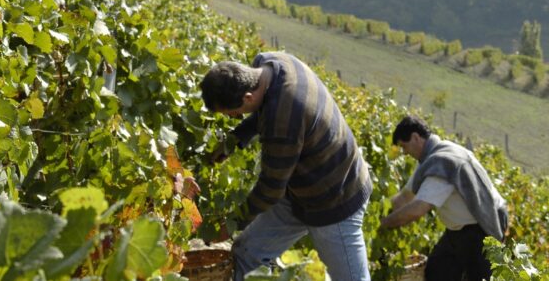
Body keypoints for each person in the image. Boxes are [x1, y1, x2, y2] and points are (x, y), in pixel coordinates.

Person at [200, 52, 372, 281]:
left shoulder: (283, 121)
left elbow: (270, 189)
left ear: (248, 97)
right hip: (298, 195)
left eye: (234, 113)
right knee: (248, 254)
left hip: (334, 199)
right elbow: (267, 107)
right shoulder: (269, 63)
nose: (235, 116)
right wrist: (236, 138)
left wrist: (232, 223)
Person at [379, 115, 508, 281]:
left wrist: (384, 223)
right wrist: (379, 213)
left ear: (416, 137)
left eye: (404, 146)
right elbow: (405, 197)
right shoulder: (431, 159)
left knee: (477, 277)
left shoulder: (443, 163)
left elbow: (417, 209)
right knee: (437, 271)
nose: (404, 152)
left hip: (482, 226)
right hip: (459, 229)